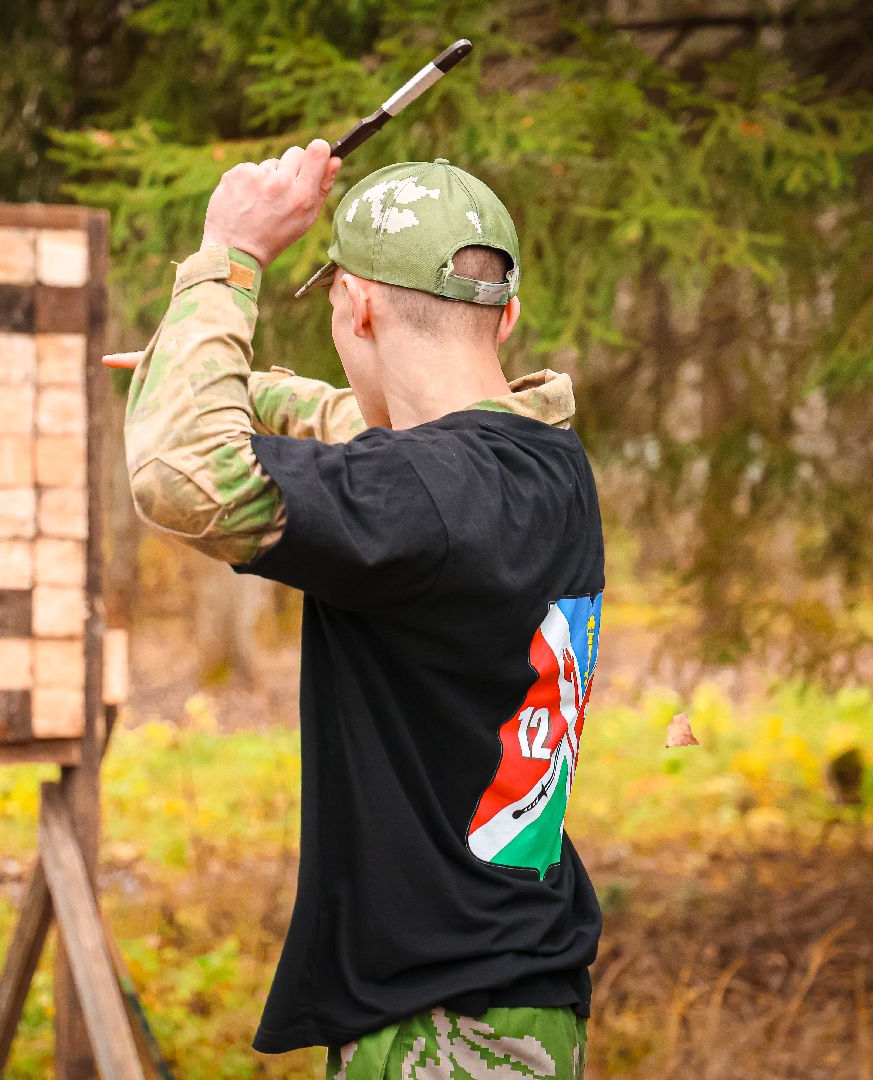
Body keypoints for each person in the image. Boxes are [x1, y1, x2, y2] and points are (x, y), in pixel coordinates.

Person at [123, 138, 604, 1079]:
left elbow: (184, 475)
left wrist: (230, 256)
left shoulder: (416, 498)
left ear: (357, 304)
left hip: (443, 1024)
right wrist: (221, 376)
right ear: (505, 320)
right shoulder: (550, 463)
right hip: (520, 1001)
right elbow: (371, 426)